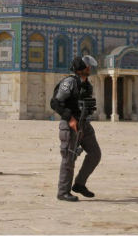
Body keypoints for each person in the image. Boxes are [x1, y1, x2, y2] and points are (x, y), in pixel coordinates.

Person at [50, 55, 101, 202]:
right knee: (69, 157)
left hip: (84, 123)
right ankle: (63, 192)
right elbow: (55, 103)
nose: (89, 68)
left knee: (95, 154)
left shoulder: (86, 85)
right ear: (79, 69)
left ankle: (79, 184)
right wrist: (70, 118)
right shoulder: (69, 82)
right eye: (87, 67)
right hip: (70, 124)